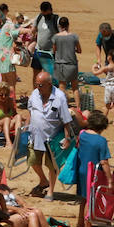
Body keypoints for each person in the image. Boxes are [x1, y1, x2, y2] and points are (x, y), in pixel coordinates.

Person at [26, 71, 74, 201]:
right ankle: (43, 180)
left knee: (52, 166)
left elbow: (66, 120)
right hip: (34, 136)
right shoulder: (35, 94)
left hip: (51, 138)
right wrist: (25, 128)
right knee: (32, 161)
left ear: (49, 84)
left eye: (41, 85)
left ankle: (51, 191)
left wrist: (67, 138)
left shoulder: (60, 97)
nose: (38, 88)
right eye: (37, 85)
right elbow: (30, 111)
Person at [73, 112, 112, 227]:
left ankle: (80, 224)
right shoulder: (101, 140)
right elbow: (104, 162)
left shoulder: (82, 134)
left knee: (83, 199)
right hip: (93, 173)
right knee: (90, 200)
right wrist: (110, 180)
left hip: (81, 170)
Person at [50, 16, 81, 92]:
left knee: (62, 86)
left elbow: (54, 51)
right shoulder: (74, 36)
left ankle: (63, 103)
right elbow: (79, 50)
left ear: (59, 26)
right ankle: (78, 104)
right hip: (72, 64)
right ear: (68, 25)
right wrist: (72, 49)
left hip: (61, 65)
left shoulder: (55, 37)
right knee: (75, 88)